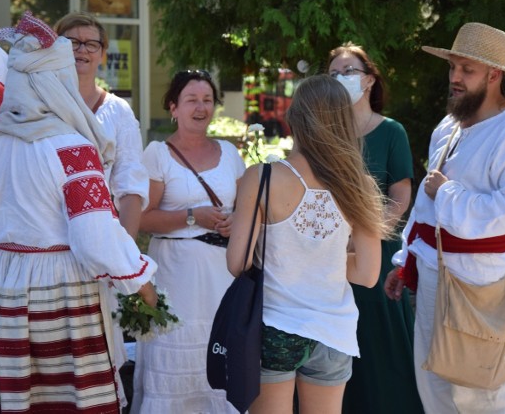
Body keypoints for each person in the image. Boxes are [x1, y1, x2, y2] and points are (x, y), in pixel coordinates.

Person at [0, 12, 158, 413]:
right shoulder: (72, 151)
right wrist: (140, 281)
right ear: (56, 85)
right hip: (58, 294)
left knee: (6, 398)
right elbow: (95, 238)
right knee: (62, 401)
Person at [384, 22, 505, 413]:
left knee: (484, 390)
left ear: (495, 75)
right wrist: (407, 260)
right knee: (433, 383)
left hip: (479, 282)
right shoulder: (448, 126)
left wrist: (449, 192)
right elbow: (425, 209)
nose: (455, 78)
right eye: (453, 67)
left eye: (466, 70)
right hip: (433, 271)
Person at [227, 74, 389, 414]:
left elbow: (237, 263)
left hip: (274, 326)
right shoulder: (360, 185)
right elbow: (367, 274)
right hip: (333, 331)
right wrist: (324, 259)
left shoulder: (262, 177)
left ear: (294, 119)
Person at [130, 69, 246, 413]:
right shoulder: (158, 154)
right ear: (173, 108)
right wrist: (193, 216)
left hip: (221, 274)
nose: (201, 107)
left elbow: (246, 210)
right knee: (177, 353)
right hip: (176, 276)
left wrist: (235, 220)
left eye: (207, 100)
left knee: (217, 354)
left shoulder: (230, 153)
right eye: (191, 100)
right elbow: (141, 218)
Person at [328, 43, 423, 413]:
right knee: (338, 353)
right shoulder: (325, 134)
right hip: (331, 257)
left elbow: (401, 193)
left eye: (348, 71)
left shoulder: (391, 131)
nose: (340, 79)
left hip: (378, 254)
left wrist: (367, 236)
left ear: (369, 80)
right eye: (333, 74)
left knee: (382, 349)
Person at [53, 12, 148, 239]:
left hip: (95, 237)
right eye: (72, 42)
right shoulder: (39, 104)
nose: (82, 49)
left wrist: (123, 255)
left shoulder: (118, 111)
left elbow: (130, 186)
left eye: (91, 44)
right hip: (43, 237)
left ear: (103, 54)